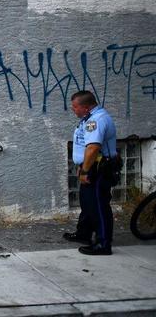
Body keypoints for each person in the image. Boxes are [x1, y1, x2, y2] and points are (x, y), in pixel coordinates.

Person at [63, 90, 117, 255]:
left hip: (98, 168)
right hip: (91, 165)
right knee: (87, 202)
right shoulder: (88, 118)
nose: (73, 110)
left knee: (98, 206)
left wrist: (86, 170)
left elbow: (93, 148)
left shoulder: (97, 120)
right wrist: (82, 164)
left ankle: (103, 243)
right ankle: (84, 233)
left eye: (75, 107)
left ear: (86, 107)